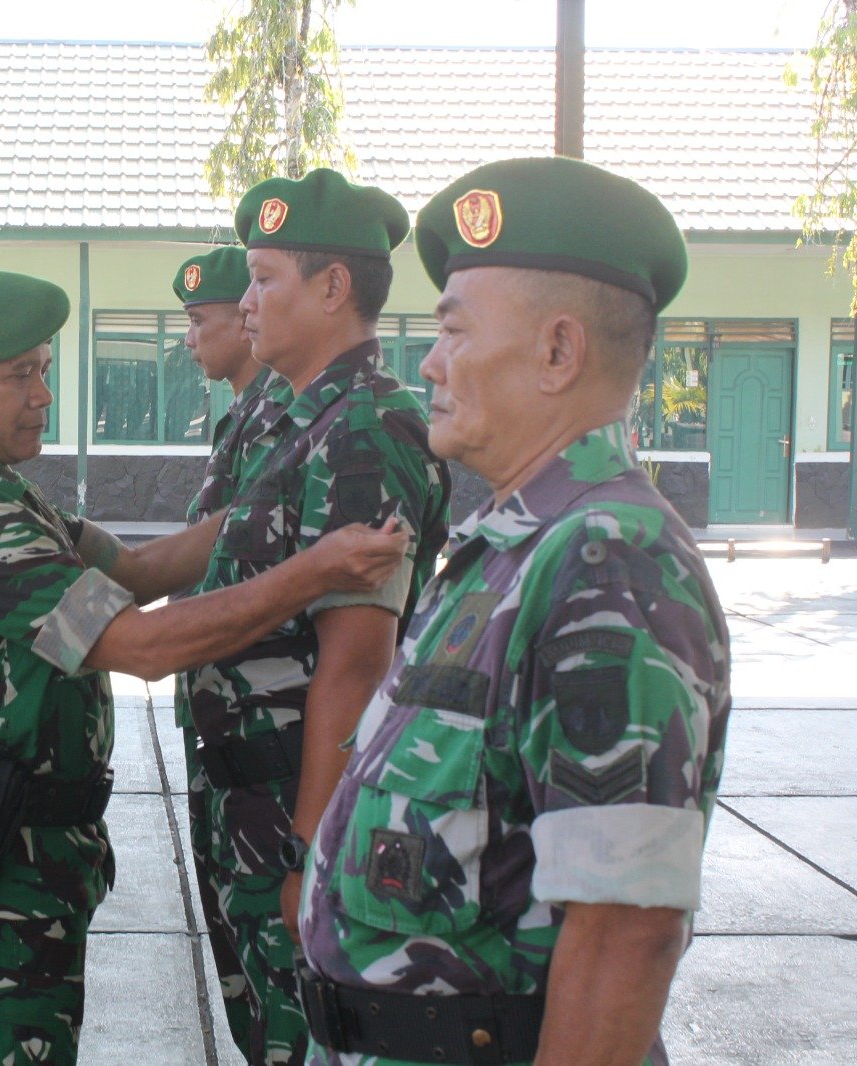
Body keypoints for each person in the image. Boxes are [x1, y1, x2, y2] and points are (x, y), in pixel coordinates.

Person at [0, 268, 413, 1065]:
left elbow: (135, 570)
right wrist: (314, 570)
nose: (43, 395)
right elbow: (144, 645)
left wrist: (277, 498)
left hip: (30, 847)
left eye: (43, 370)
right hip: (3, 858)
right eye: (20, 376)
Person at [296, 157, 732, 1066]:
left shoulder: (608, 562)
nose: (429, 361)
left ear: (558, 352)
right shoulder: (517, 546)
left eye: (454, 330)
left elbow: (624, 935)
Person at [186, 168, 451, 1065]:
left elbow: (356, 663)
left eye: (265, 279)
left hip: (292, 809)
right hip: (247, 801)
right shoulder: (298, 422)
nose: (246, 301)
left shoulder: (366, 429)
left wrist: (313, 856)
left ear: (334, 287)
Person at [168, 243, 284, 1057]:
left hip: (271, 755)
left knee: (283, 995)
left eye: (199, 320)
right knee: (244, 965)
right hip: (228, 739)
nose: (191, 339)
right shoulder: (245, 421)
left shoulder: (288, 424)